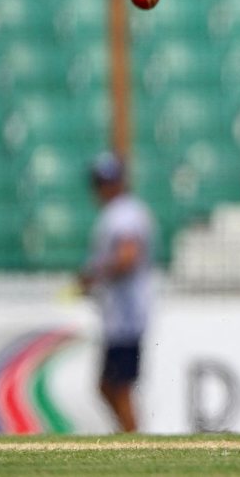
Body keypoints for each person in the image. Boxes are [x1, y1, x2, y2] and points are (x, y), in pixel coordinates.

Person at [78, 152, 156, 433]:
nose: (102, 188)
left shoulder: (123, 215)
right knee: (108, 385)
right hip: (120, 317)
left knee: (118, 386)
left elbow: (127, 256)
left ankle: (133, 440)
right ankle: (127, 435)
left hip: (127, 317)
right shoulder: (123, 212)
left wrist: (95, 273)